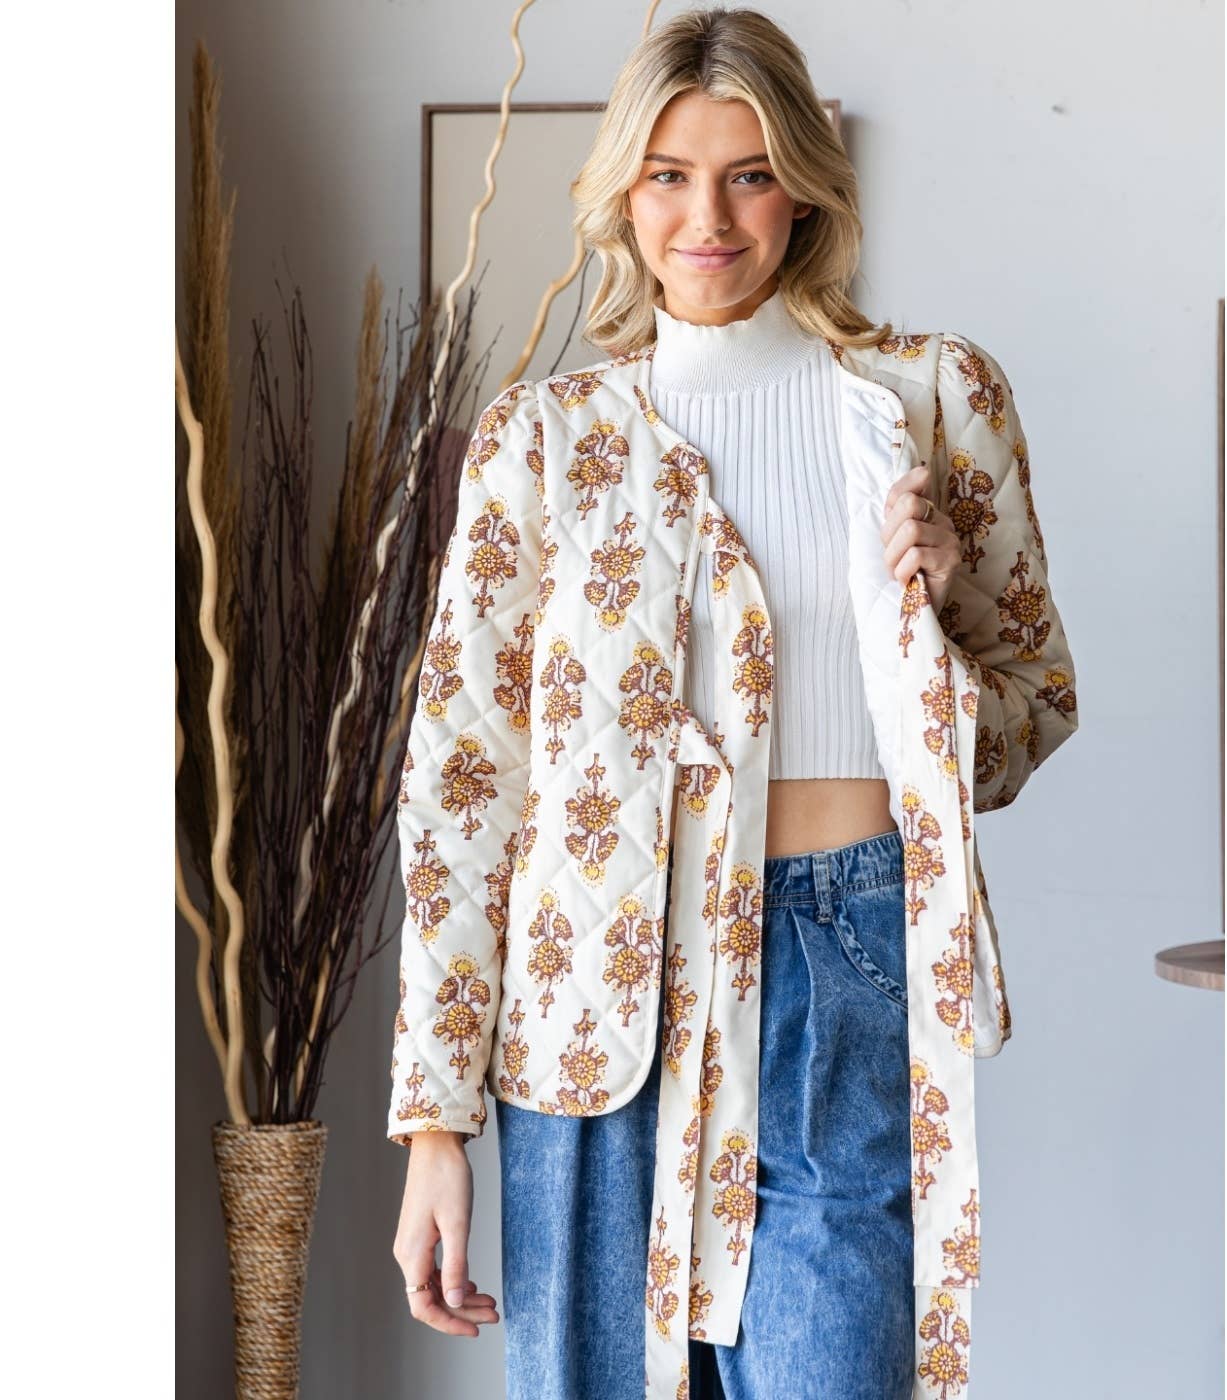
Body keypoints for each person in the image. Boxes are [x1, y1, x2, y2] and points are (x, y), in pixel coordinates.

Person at [389, 8, 1078, 1398]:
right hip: (593, 992)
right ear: (623, 194)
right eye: (670, 176)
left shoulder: (932, 400)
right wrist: (434, 1128)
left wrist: (939, 614)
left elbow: (1028, 716)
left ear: (805, 190)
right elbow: (464, 789)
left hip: (843, 954)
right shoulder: (544, 442)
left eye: (749, 174)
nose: (707, 218)